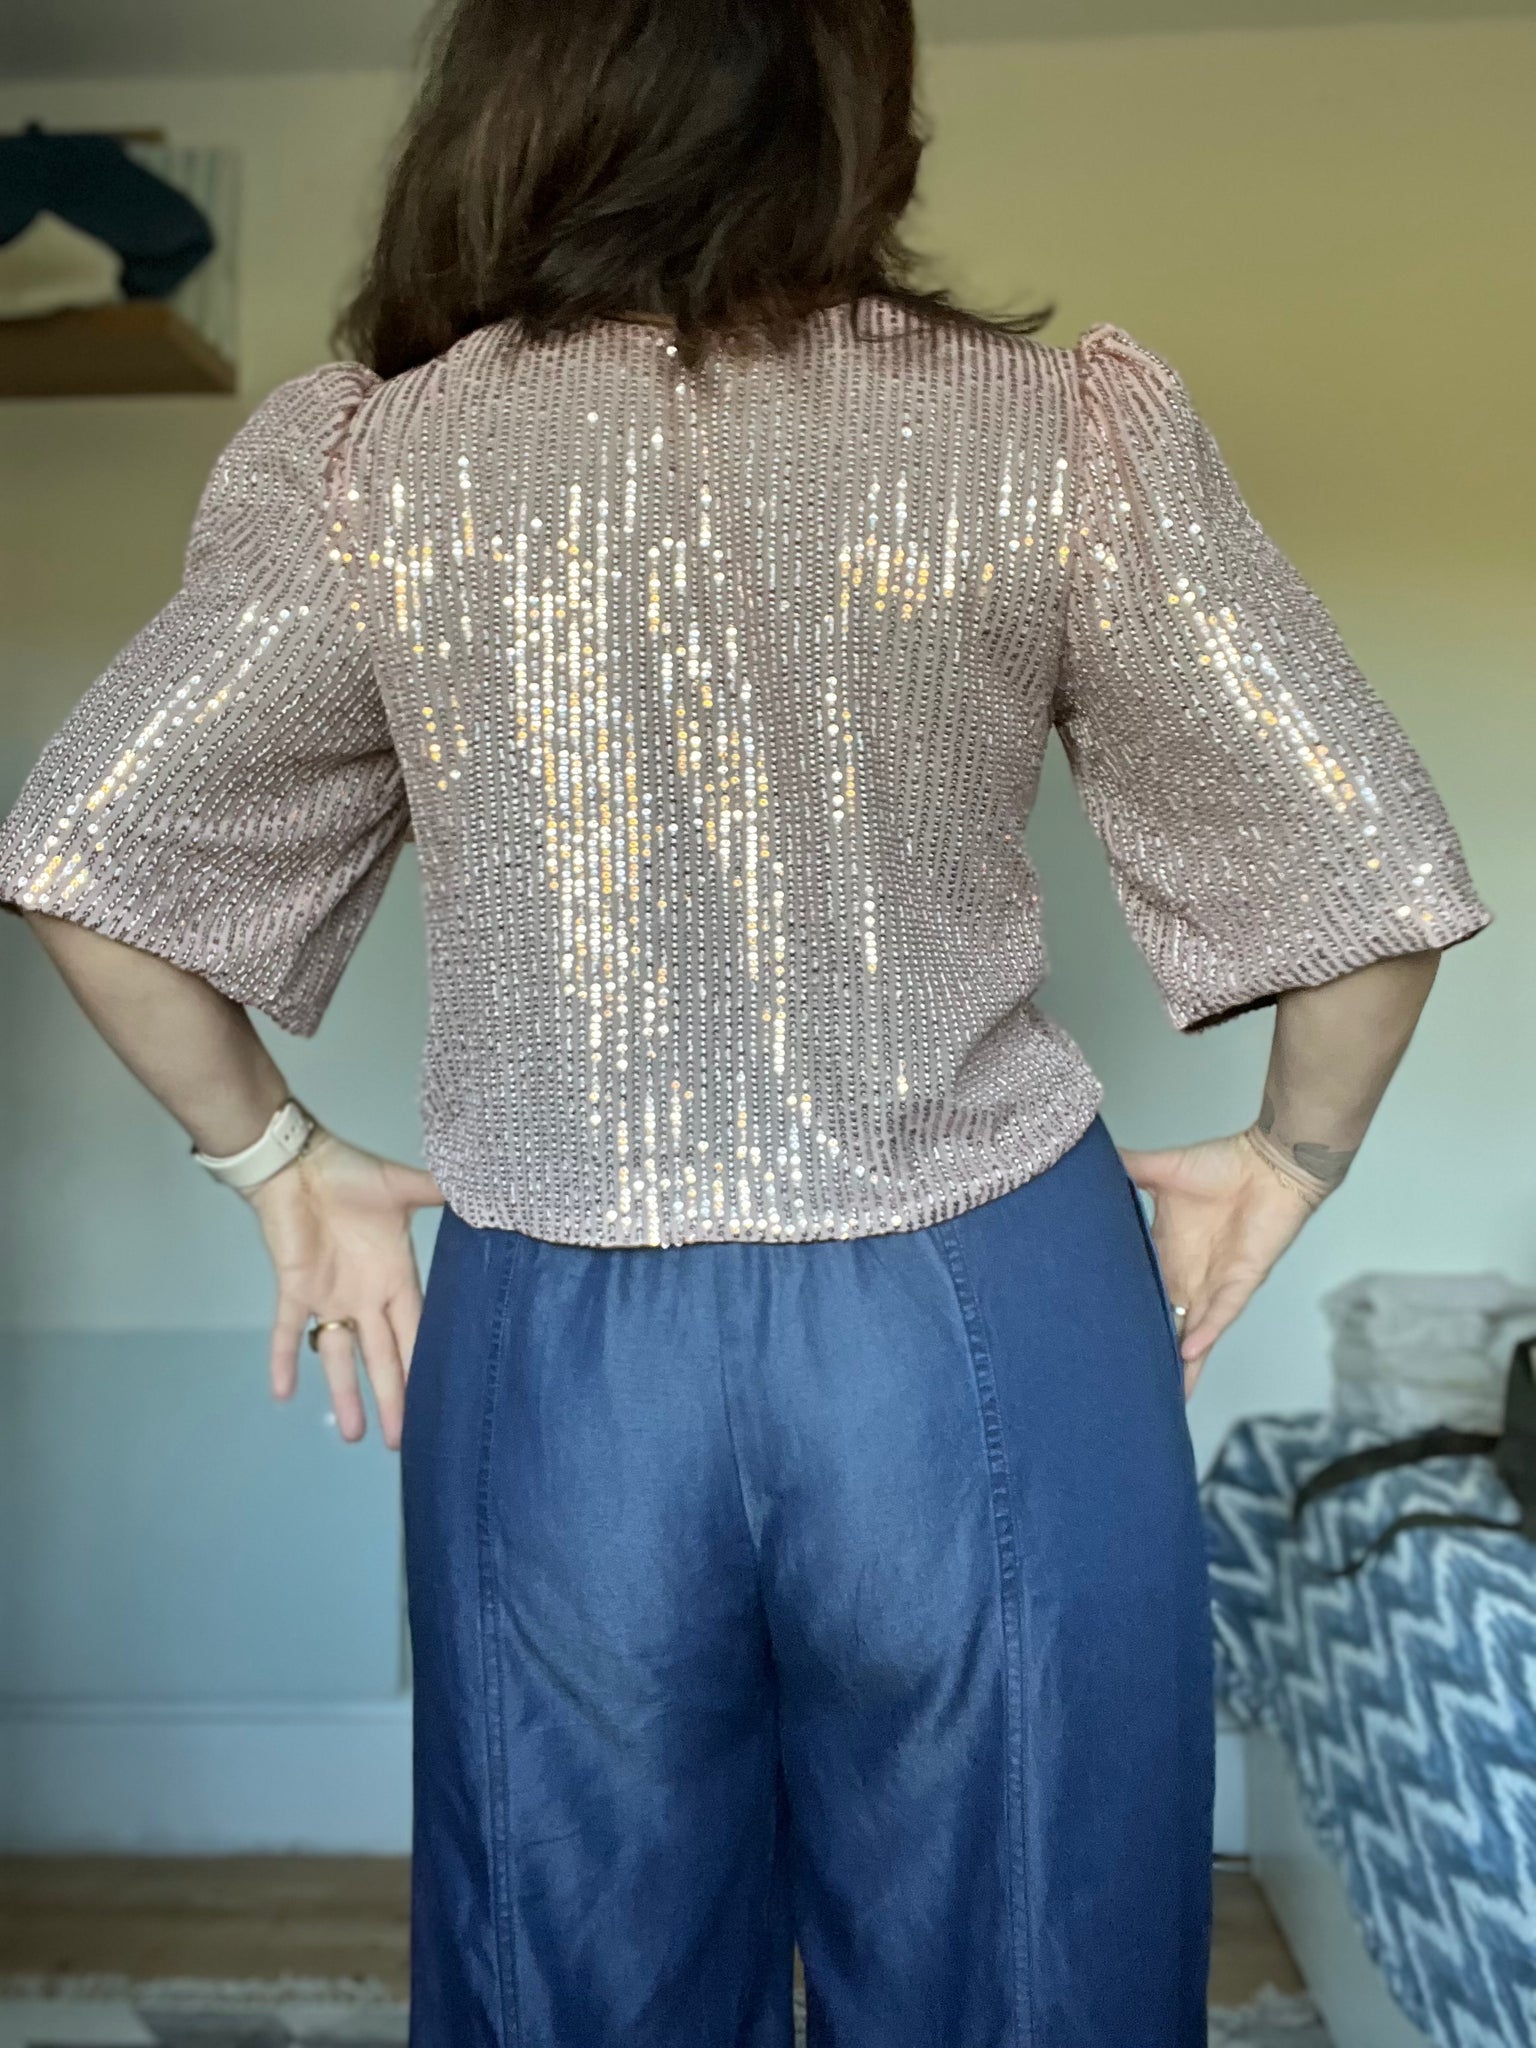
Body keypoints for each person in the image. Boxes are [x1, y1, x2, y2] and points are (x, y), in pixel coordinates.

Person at [0, 0, 1493, 2041]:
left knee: (574, 1971)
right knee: (1027, 1964)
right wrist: (1289, 1156)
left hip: (560, 1336)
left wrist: (278, 1162)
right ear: (859, 108)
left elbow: (87, 853)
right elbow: (1366, 867)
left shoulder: (379, 464)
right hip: (983, 1300)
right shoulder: (1055, 434)